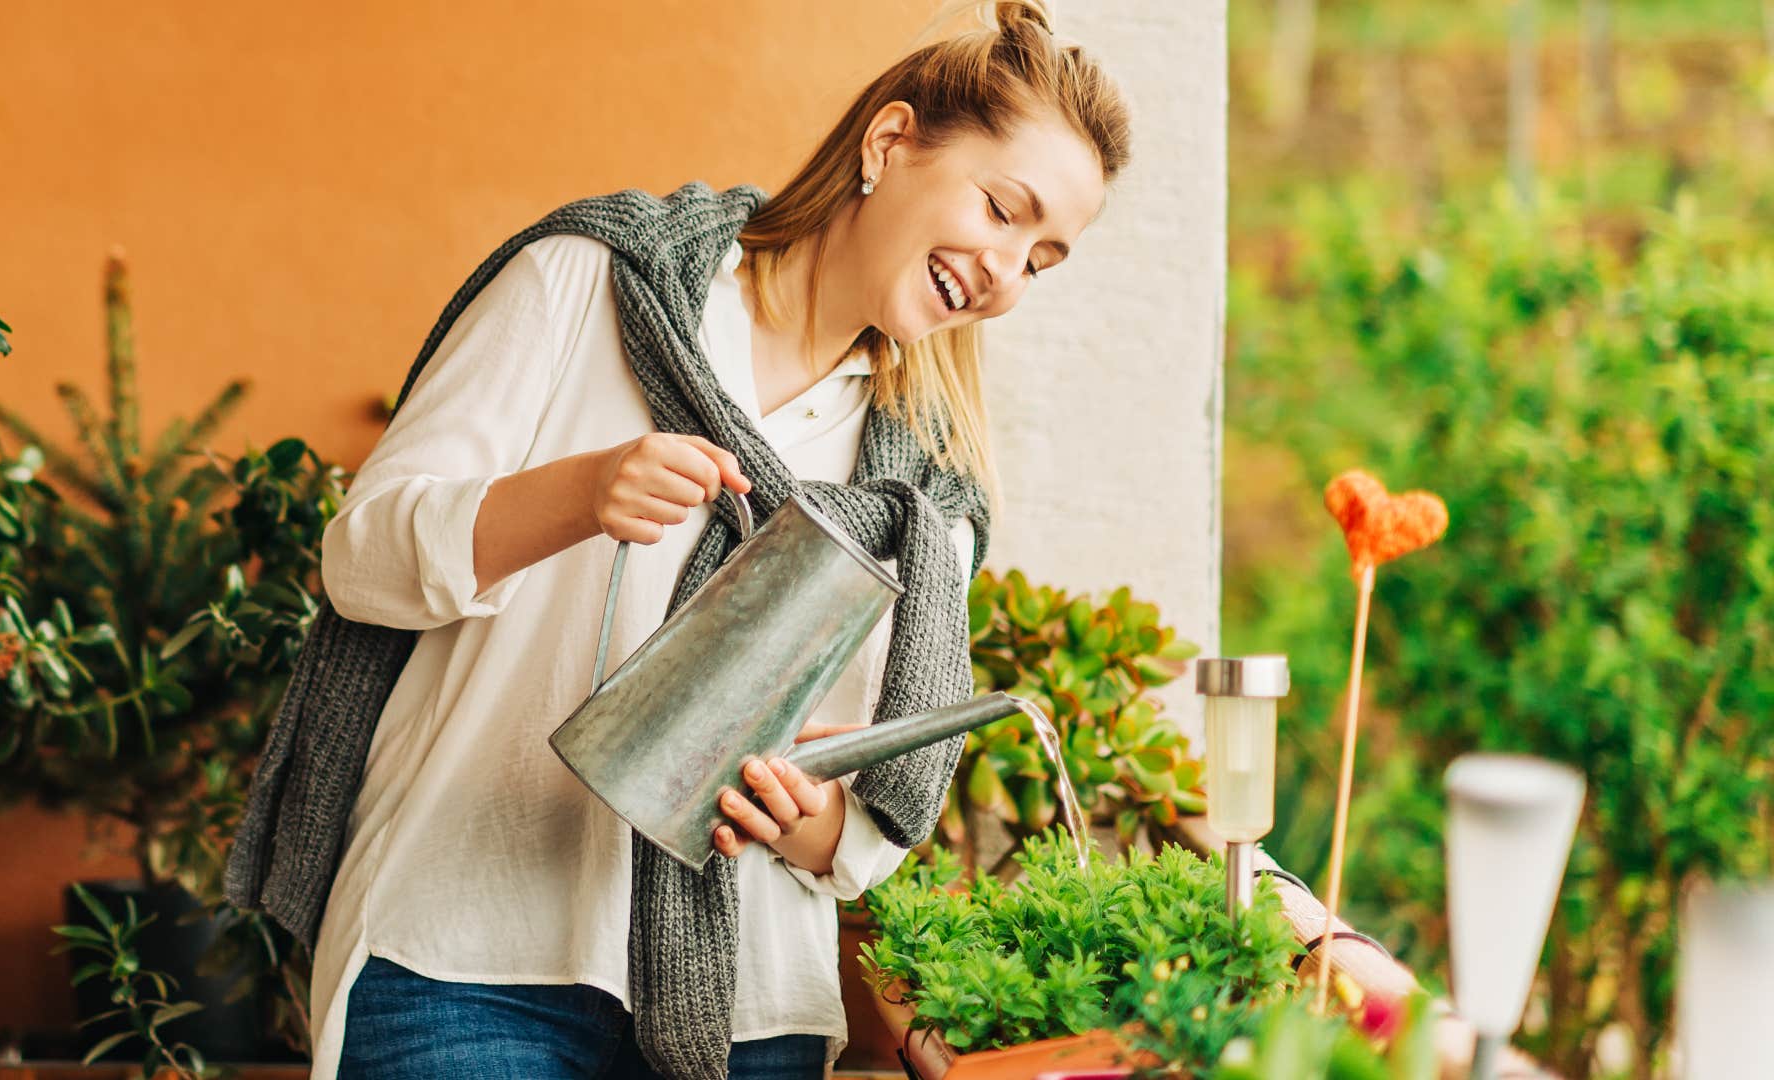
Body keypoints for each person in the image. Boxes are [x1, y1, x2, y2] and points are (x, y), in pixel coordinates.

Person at [225, 3, 1130, 1078]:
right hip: (464, 961)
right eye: (1001, 210)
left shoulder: (926, 491)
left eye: (1043, 259)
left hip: (745, 1012)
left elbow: (867, 825)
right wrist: (579, 493)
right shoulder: (592, 284)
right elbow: (361, 560)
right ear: (889, 144)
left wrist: (807, 822)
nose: (1005, 274)